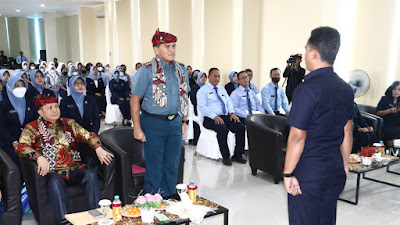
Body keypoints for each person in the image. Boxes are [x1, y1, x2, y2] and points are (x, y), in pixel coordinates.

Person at [283, 26, 354, 225]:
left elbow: (297, 136)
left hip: (309, 172)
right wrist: (345, 164)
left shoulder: (307, 90)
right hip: (334, 168)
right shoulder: (346, 89)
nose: (305, 55)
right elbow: (347, 130)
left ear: (314, 53)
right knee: (326, 220)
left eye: (306, 50)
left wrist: (288, 173)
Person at [16, 95, 113, 225]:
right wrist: (38, 157)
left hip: (74, 169)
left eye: (56, 106)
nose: (55, 110)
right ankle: (64, 221)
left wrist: (98, 148)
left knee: (90, 174)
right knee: (55, 181)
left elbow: (88, 135)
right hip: (54, 172)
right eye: (49, 108)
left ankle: (95, 216)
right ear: (40, 112)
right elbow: (21, 147)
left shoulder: (69, 123)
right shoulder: (32, 128)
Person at [130, 29, 189, 198]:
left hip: (174, 122)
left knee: (172, 164)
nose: (172, 50)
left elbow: (184, 95)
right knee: (155, 165)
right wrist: (137, 128)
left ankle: (169, 198)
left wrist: (184, 121)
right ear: (156, 49)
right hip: (153, 122)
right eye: (167, 46)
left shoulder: (181, 69)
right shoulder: (147, 70)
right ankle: (152, 202)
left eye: (173, 46)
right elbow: (135, 100)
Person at [197, 67, 247, 166]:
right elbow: (202, 107)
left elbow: (228, 103)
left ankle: (237, 154)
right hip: (210, 118)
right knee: (222, 129)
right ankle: (226, 156)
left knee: (241, 127)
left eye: (219, 76)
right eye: (215, 76)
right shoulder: (202, 91)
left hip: (225, 116)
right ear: (209, 77)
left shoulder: (222, 89)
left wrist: (232, 113)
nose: (217, 78)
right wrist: (214, 116)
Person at [0, 75, 38, 178]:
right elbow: (2, 127)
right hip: (9, 143)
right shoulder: (3, 105)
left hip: (29, 141)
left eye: (22, 85)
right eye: (17, 86)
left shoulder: (30, 103)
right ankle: (22, 188)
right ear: (10, 87)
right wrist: (14, 141)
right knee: (18, 162)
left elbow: (36, 122)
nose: (20, 88)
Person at [376, 81, 400, 146]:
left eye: (399, 90)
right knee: (393, 131)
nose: (396, 91)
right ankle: (390, 145)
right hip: (387, 123)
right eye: (394, 89)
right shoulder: (385, 99)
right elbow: (378, 113)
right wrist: (389, 111)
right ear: (391, 89)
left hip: (398, 123)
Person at [189, 71, 207, 145]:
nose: (203, 79)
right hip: (197, 110)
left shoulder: (207, 87)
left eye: (205, 77)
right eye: (201, 77)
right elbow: (194, 102)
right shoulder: (195, 88)